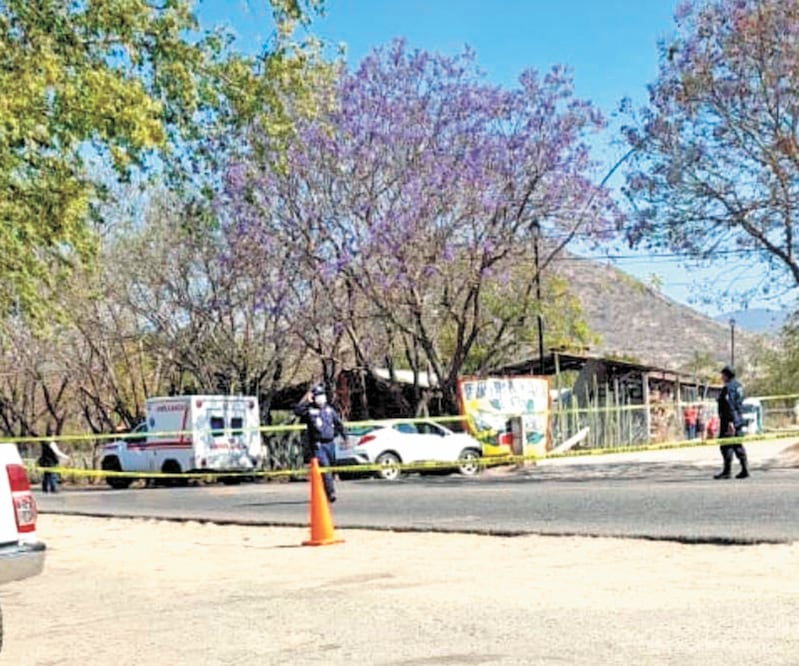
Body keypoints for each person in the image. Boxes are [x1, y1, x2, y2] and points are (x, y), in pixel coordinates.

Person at [294, 383, 345, 503]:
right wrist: (307, 400)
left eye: (322, 395)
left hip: (330, 444)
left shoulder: (329, 410)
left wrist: (343, 436)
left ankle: (323, 490)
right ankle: (331, 493)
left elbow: (338, 424)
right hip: (318, 445)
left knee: (329, 468)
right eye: (318, 395)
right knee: (325, 467)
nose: (321, 397)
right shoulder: (310, 410)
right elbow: (297, 411)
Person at [714, 366, 748, 479]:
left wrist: (730, 422)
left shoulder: (728, 388)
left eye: (722, 375)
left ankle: (727, 471)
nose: (721, 377)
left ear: (726, 375)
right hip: (738, 419)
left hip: (729, 421)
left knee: (726, 446)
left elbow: (730, 405)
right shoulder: (738, 386)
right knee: (737, 445)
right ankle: (745, 469)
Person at [38, 425, 71, 493]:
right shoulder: (51, 443)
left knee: (46, 475)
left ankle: (45, 488)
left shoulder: (44, 442)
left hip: (45, 461)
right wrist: (66, 457)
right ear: (52, 435)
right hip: (51, 462)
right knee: (52, 475)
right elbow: (57, 452)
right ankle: (53, 488)